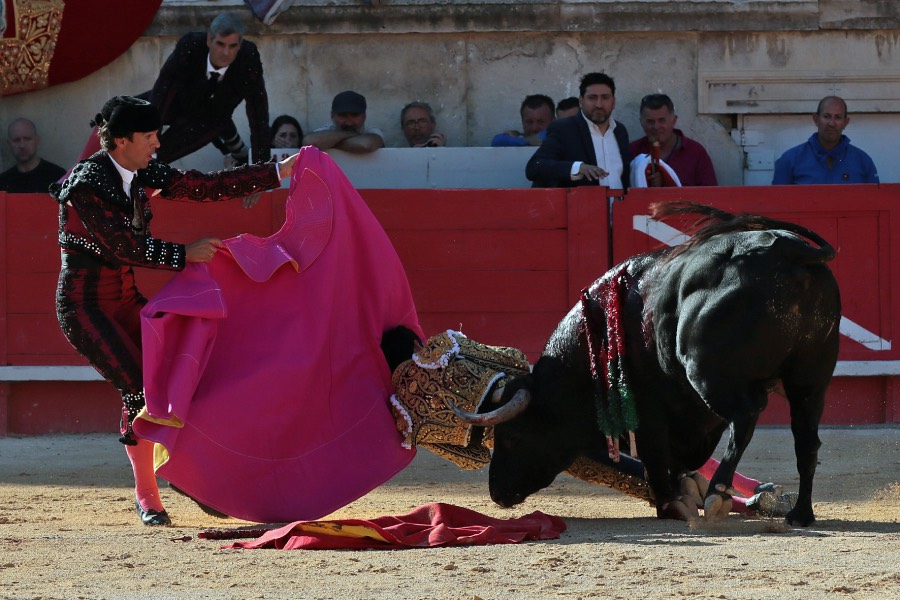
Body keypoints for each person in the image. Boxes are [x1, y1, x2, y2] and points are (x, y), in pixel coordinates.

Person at [50, 95, 297, 526]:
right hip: (85, 309)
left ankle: (186, 482)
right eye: (149, 136)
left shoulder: (141, 171)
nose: (157, 145)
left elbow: (199, 187)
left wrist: (275, 173)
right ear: (121, 140)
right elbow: (119, 245)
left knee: (170, 386)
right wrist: (183, 254)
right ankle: (151, 495)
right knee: (142, 392)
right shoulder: (86, 183)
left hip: (125, 301)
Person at [142, 13, 270, 166]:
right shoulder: (190, 47)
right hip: (176, 101)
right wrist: (147, 145)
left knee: (155, 160)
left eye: (232, 46)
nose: (225, 53)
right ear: (209, 40)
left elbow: (259, 116)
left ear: (240, 45)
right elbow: (161, 95)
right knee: (127, 115)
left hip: (210, 119)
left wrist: (262, 171)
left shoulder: (248, 61)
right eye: (220, 44)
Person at [525, 73, 630, 189]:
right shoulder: (565, 129)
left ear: (613, 101)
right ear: (581, 101)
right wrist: (577, 168)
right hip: (581, 206)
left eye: (605, 97)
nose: (599, 104)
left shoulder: (620, 131)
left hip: (619, 206)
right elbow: (534, 167)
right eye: (592, 98)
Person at [772, 95, 879, 185]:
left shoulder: (863, 162)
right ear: (816, 119)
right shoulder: (790, 160)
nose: (831, 123)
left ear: (845, 122)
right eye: (826, 116)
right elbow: (777, 205)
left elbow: (876, 204)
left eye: (838, 117)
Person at [629, 93, 718, 187]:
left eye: (662, 120)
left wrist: (667, 182)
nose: (656, 127)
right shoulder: (632, 152)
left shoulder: (696, 153)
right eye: (650, 121)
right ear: (641, 123)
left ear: (674, 120)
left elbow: (711, 196)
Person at [302, 90, 385, 154]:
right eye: (342, 115)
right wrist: (352, 135)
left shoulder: (372, 131)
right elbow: (308, 142)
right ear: (332, 116)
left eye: (355, 115)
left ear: (364, 116)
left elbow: (366, 145)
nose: (349, 122)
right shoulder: (328, 129)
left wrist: (328, 143)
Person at [0, 118, 66, 193]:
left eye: (27, 139)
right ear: (9, 144)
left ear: (37, 140)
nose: (22, 145)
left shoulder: (58, 177)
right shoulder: (3, 183)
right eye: (16, 140)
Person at [491, 94, 556, 147]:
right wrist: (526, 141)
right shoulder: (523, 138)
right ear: (522, 122)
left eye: (541, 122)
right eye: (529, 122)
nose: (534, 128)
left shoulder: (559, 139)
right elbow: (497, 141)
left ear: (554, 122)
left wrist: (522, 140)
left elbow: (545, 137)